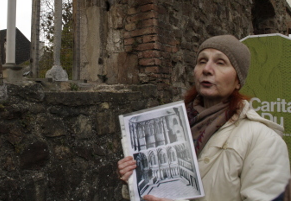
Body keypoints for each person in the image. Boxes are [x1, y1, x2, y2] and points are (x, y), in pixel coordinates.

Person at [117, 35, 290, 201]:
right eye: (202, 61)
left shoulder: (264, 141)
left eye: (220, 62)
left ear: (238, 80)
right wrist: (136, 180)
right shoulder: (173, 124)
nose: (207, 69)